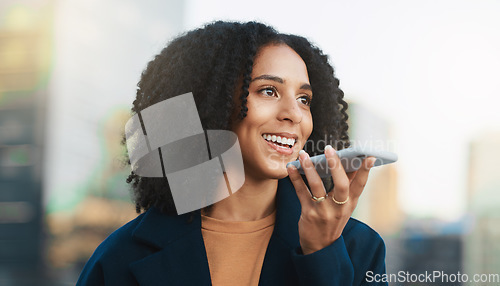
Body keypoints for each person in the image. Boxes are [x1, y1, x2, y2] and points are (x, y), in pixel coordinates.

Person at [76, 21, 387, 286]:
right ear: (210, 105)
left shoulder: (356, 247)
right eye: (269, 90)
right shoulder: (119, 256)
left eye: (304, 99)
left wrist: (322, 257)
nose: (295, 114)